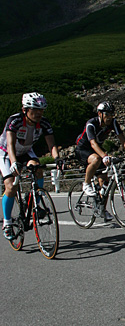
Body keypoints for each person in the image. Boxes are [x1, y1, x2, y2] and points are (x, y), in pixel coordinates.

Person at [0, 93, 63, 240]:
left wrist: (57, 159)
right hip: (6, 152)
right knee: (10, 186)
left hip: (26, 151)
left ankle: (35, 199)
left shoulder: (44, 123)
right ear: (25, 110)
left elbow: (51, 144)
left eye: (41, 110)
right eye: (34, 110)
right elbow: (10, 144)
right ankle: (8, 223)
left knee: (38, 169)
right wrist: (14, 162)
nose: (39, 113)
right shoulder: (15, 121)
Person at [75, 101, 125, 198]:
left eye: (112, 114)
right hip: (83, 149)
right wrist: (104, 156)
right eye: (107, 114)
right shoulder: (91, 124)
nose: (109, 117)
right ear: (100, 114)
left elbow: (123, 140)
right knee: (96, 159)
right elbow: (93, 143)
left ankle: (102, 210)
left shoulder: (113, 122)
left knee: (104, 183)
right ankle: (86, 184)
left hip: (96, 150)